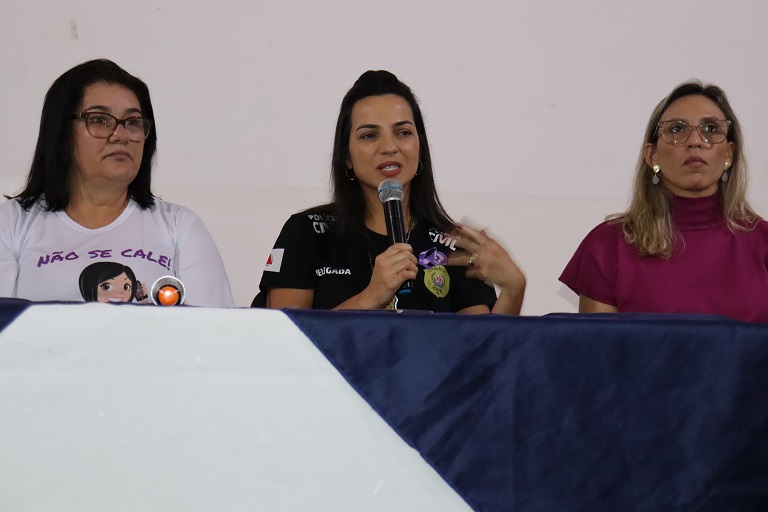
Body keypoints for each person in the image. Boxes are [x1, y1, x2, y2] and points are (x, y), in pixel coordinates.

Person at [254, 70, 525, 314]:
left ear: (420, 147)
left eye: (403, 132)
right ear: (346, 156)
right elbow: (286, 341)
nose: (389, 147)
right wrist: (370, 297)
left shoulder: (453, 245)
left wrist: (514, 288)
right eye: (369, 135)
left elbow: (481, 348)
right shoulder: (307, 233)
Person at [0, 59, 234, 307]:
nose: (120, 135)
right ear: (62, 134)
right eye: (99, 120)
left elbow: (215, 327)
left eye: (132, 122)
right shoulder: (11, 224)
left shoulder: (180, 227)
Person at [560, 80, 768, 323]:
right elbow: (598, 346)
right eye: (677, 129)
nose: (695, 141)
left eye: (711, 128)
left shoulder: (763, 243)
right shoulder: (608, 245)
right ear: (652, 155)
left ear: (729, 154)